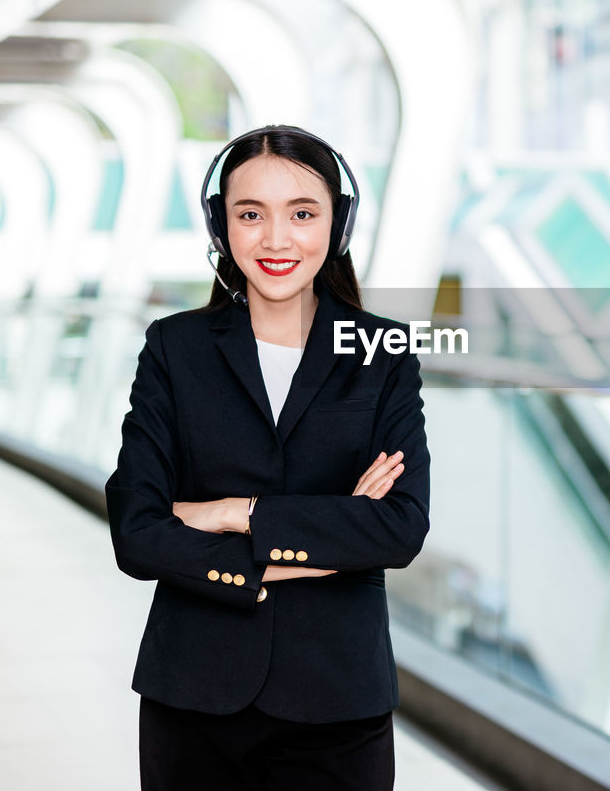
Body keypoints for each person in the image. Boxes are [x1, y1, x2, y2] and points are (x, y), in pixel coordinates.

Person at [104, 125, 431, 790]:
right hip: (193, 694)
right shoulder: (175, 349)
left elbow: (398, 527)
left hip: (338, 700)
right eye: (250, 214)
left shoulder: (382, 352)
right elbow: (137, 533)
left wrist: (232, 513)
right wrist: (322, 537)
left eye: (302, 214)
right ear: (220, 227)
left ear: (337, 224)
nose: (276, 240)